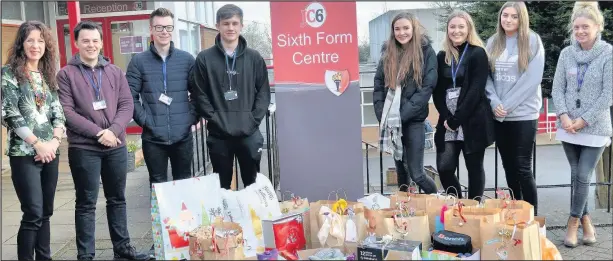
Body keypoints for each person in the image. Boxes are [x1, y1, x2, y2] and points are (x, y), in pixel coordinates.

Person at [56, 21, 147, 260]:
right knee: (85, 203)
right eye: (85, 40)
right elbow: (67, 112)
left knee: (117, 198)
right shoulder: (66, 74)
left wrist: (113, 130)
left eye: (95, 40)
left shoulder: (115, 72)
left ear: (101, 42)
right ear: (76, 43)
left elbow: (127, 104)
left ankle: (123, 249)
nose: (91, 45)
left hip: (115, 146)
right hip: (84, 148)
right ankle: (85, 254)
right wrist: (99, 133)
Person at [1, 21, 65, 260]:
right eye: (30, 40)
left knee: (46, 212)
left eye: (40, 41)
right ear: (21, 44)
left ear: (46, 45)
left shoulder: (48, 76)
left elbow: (58, 113)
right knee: (33, 212)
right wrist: (38, 144)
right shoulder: (8, 74)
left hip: (51, 151)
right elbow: (10, 113)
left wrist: (54, 143)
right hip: (24, 153)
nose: (35, 45)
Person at [190, 4, 271, 189]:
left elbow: (263, 93)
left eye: (235, 23)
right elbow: (200, 95)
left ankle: (251, 218)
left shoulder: (254, 58)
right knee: (222, 187)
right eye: (226, 23)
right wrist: (216, 119)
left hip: (248, 133)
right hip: (219, 134)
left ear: (241, 26)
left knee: (253, 185)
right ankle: (225, 219)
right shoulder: (204, 59)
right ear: (217, 25)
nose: (231, 28)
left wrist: (252, 120)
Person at [551, 1, 612, 248]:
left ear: (598, 27)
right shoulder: (567, 54)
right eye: (576, 27)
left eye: (585, 26)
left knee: (582, 175)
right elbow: (557, 87)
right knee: (578, 176)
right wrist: (564, 116)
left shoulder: (608, 53)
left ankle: (573, 222)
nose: (580, 32)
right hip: (568, 127)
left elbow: (608, 93)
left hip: (594, 127)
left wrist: (583, 120)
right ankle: (587, 222)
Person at [484, 1, 545, 213]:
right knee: (508, 168)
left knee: (523, 168)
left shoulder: (532, 41)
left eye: (514, 16)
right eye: (505, 15)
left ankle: (533, 219)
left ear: (522, 18)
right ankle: (516, 213)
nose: (508, 20)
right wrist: (494, 102)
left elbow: (532, 78)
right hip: (499, 116)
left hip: (523, 115)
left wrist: (506, 105)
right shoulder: (492, 42)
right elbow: (486, 77)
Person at [127, 8, 196, 187]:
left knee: (184, 183)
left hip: (182, 136)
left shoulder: (187, 60)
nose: (164, 31)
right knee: (157, 185)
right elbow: (130, 96)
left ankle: (184, 217)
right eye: (159, 27)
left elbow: (199, 94)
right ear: (151, 29)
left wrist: (189, 119)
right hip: (153, 138)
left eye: (168, 27)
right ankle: (159, 217)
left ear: (173, 29)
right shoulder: (138, 61)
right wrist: (146, 121)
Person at [373, 11, 438, 194]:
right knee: (402, 173)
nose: (402, 33)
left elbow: (427, 87)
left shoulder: (426, 51)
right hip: (392, 124)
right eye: (397, 29)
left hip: (414, 121)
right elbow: (378, 84)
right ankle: (404, 213)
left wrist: (402, 115)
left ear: (414, 28)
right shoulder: (388, 52)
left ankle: (436, 203)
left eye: (406, 28)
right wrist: (381, 114)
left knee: (417, 173)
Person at [432, 10, 494, 199]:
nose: (456, 31)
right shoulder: (442, 55)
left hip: (471, 119)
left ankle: (474, 208)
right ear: (447, 30)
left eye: (461, 26)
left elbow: (476, 90)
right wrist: (447, 116)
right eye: (452, 27)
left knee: (474, 168)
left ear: (468, 29)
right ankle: (458, 205)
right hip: (447, 122)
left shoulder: (478, 53)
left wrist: (458, 118)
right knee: (444, 168)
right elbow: (437, 91)